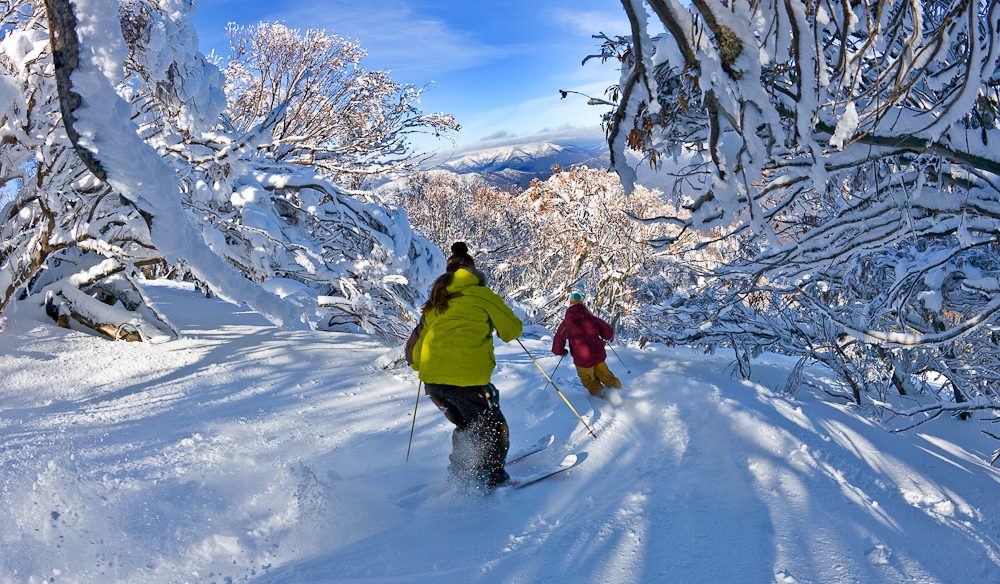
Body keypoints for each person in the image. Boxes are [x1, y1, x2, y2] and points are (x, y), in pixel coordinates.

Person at [409, 258, 522, 490]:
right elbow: (512, 330)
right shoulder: (481, 294)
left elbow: (417, 350)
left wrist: (426, 367)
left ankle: (462, 469)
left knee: (466, 426)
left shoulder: (437, 301)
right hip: (467, 382)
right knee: (493, 427)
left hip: (434, 384)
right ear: (472, 271)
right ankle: (492, 478)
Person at [552, 292, 622, 398]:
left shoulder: (567, 324)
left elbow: (558, 339)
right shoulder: (592, 319)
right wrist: (603, 336)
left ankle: (603, 398)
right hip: (598, 356)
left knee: (589, 382)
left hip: (582, 361)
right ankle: (619, 394)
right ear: (582, 304)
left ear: (570, 305)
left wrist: (560, 351)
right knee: (607, 376)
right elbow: (608, 333)